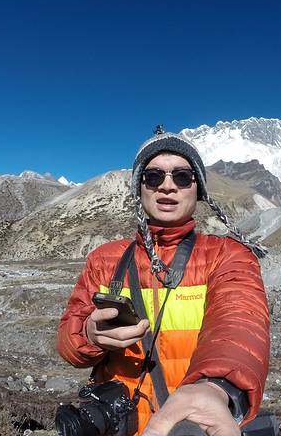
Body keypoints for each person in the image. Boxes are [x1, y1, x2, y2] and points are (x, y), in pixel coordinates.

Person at [57, 128, 270, 436]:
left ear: (198, 189)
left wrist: (215, 388)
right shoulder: (104, 260)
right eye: (153, 176)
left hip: (190, 426)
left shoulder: (229, 256)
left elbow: (240, 322)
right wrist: (88, 335)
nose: (167, 186)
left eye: (182, 177)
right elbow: (67, 343)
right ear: (139, 188)